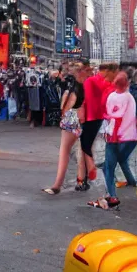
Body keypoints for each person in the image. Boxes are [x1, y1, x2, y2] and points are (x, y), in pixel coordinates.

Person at [88, 72, 137, 209]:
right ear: (127, 84)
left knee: (109, 167)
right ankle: (132, 181)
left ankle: (112, 196)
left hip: (113, 137)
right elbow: (133, 117)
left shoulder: (111, 97)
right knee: (122, 159)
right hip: (129, 138)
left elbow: (108, 115)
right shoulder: (130, 98)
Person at [41, 64, 86, 195]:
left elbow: (66, 106)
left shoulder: (73, 88)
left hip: (71, 118)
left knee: (64, 151)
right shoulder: (84, 85)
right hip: (82, 119)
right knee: (81, 151)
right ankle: (81, 181)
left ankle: (57, 185)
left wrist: (63, 115)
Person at [79, 63, 118, 188]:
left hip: (92, 118)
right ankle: (85, 177)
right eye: (114, 72)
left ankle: (85, 177)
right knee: (86, 147)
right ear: (107, 71)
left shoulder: (94, 81)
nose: (115, 75)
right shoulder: (98, 82)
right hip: (93, 118)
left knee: (85, 147)